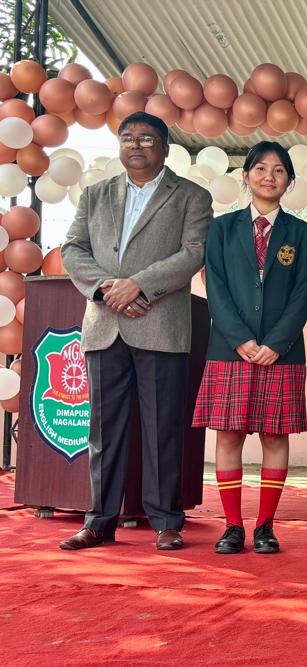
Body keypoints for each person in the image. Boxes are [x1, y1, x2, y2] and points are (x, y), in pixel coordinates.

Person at [59, 111, 211, 551]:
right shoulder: (95, 195)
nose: (136, 145)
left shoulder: (191, 196)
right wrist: (108, 288)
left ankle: (166, 521)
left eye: (147, 138)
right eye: (128, 138)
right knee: (103, 431)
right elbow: (73, 248)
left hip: (159, 325)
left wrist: (139, 284)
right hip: (104, 325)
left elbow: (193, 252)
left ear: (165, 147)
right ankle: (99, 522)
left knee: (163, 429)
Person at [192, 141, 307, 555]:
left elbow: (303, 294)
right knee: (228, 436)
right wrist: (241, 339)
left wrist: (276, 343)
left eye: (279, 170)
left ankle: (265, 526)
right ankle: (232, 525)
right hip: (229, 349)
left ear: (289, 181)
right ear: (245, 175)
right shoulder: (221, 229)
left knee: (275, 436)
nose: (269, 176)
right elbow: (216, 287)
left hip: (282, 352)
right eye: (260, 168)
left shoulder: (302, 233)